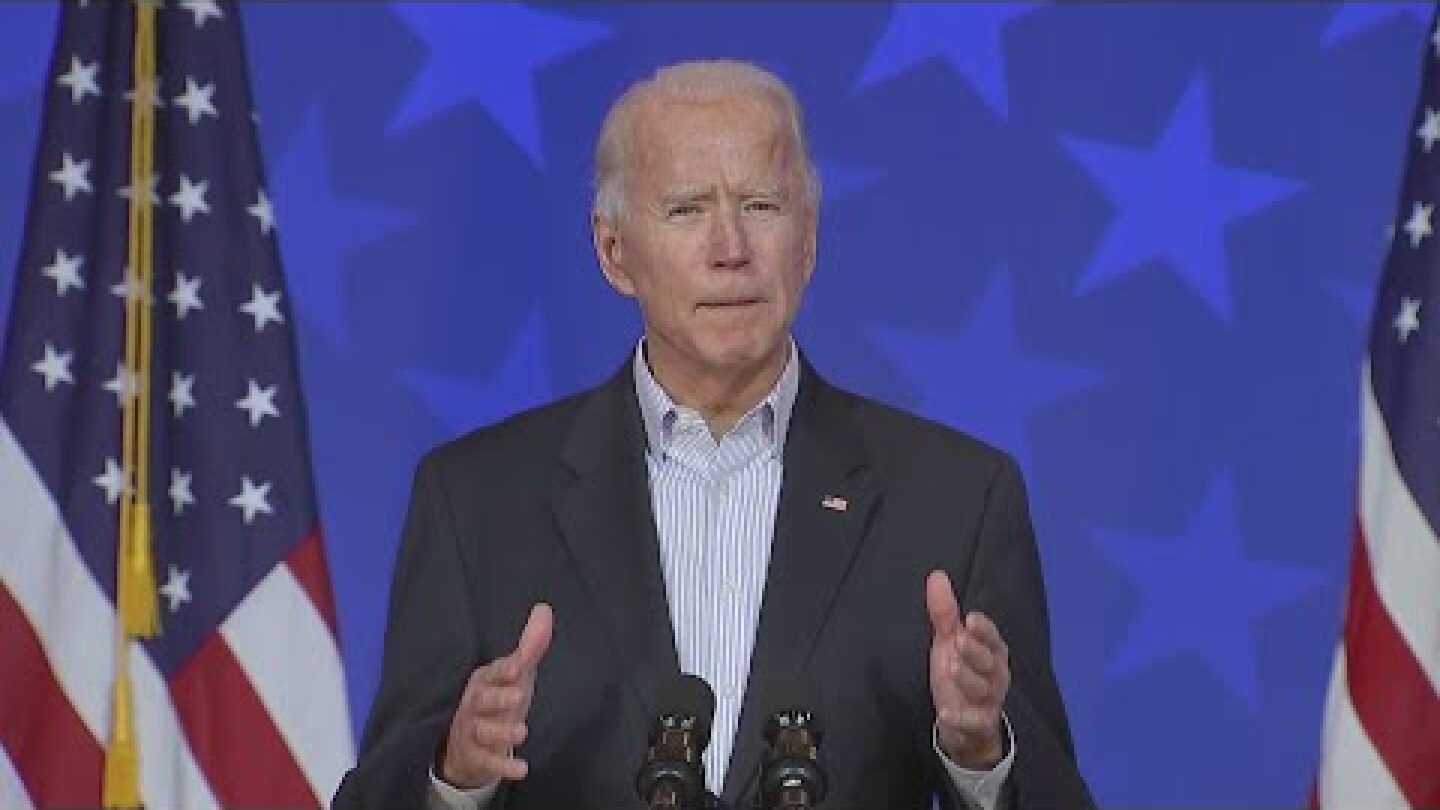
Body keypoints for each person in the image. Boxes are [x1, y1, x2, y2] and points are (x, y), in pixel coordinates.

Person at [332, 59, 1094, 810]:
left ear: (810, 241)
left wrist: (979, 756)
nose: (731, 248)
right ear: (613, 252)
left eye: (762, 206)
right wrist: (456, 774)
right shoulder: (476, 503)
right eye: (687, 209)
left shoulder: (954, 500)